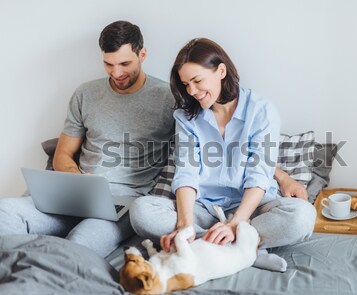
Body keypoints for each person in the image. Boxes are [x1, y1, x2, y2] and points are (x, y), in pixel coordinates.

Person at [130, 38, 316, 272]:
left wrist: (236, 223)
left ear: (221, 71)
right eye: (186, 84)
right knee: (141, 211)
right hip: (204, 208)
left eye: (197, 81)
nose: (192, 91)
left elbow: (260, 174)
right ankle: (245, 249)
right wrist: (185, 224)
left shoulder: (261, 111)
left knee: (302, 216)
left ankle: (221, 243)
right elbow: (186, 171)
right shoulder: (186, 118)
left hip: (255, 209)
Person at [0, 21, 175, 258]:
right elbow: (62, 155)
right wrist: (77, 180)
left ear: (142, 54)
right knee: (4, 213)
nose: (117, 73)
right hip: (76, 194)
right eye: (108, 64)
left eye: (125, 63)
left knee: (78, 245)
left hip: (123, 203)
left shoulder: (168, 98)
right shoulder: (86, 93)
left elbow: (188, 154)